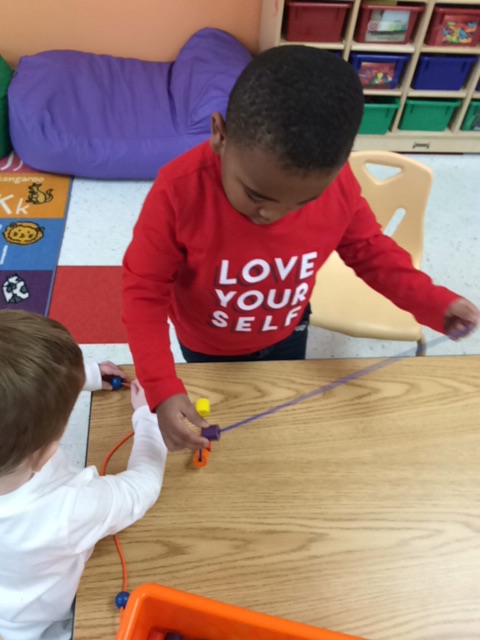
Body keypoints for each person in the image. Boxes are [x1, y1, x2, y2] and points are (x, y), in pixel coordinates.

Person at [122, 45, 479, 453]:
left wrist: (435, 303)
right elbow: (143, 291)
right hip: (207, 344)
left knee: (275, 431)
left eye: (302, 203)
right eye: (256, 194)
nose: (273, 215)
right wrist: (161, 387)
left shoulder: (338, 186)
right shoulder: (177, 190)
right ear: (219, 134)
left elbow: (370, 252)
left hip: (289, 330)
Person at [0, 310, 167, 640]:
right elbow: (143, 486)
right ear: (46, 453)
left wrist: (82, 377)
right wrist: (149, 421)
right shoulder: (66, 509)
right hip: (29, 626)